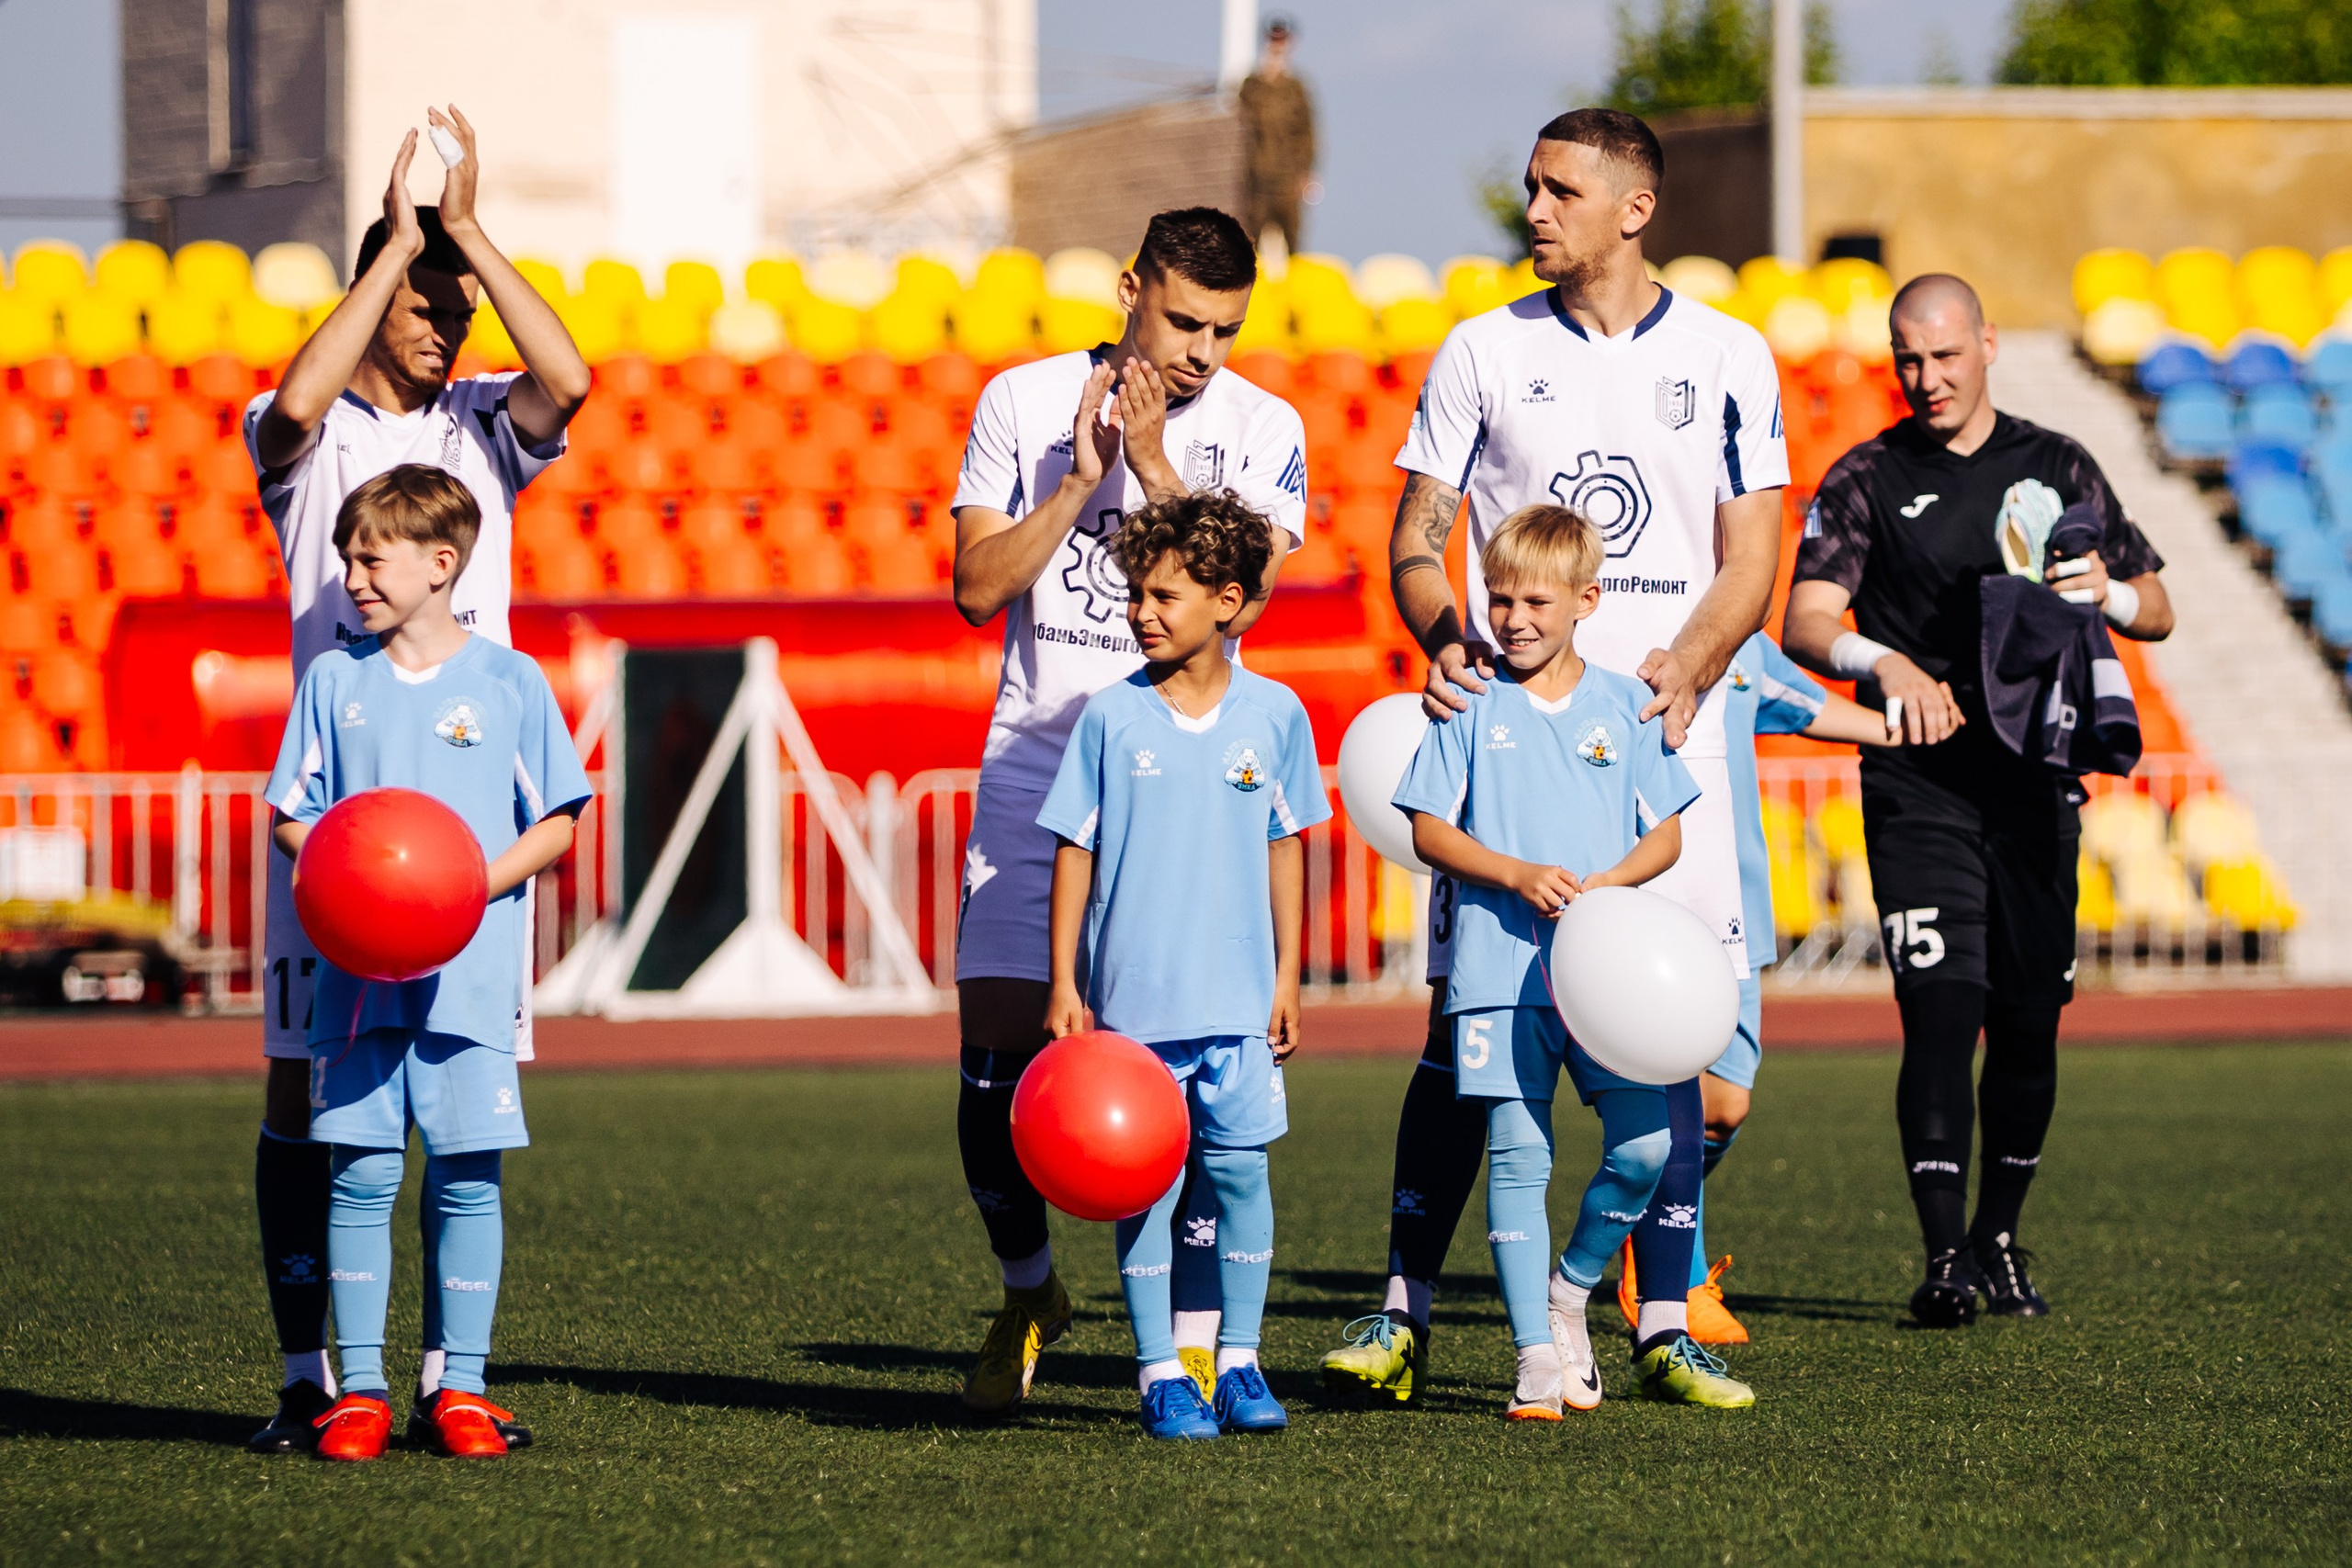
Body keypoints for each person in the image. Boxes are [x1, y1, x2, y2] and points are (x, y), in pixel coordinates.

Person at [1319, 106, 1787, 1403]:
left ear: (1635, 208)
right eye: (1529, 186)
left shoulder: (1732, 356)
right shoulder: (1480, 350)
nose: (1533, 209)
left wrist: (1689, 663)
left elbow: (1754, 555)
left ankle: (1658, 1320)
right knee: (1463, 1035)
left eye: (1560, 189)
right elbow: (1420, 534)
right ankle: (1404, 1311)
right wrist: (1441, 628)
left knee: (1676, 1043)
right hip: (1511, 749)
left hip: (1658, 743)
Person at [242, 107, 589, 1454]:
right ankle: (309, 1374)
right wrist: (394, 241)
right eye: (425, 303)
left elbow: (572, 374)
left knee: (460, 1126)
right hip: (337, 834)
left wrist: (468, 234)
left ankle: (454, 1370)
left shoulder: (484, 430)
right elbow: (294, 405)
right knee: (305, 1104)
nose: (451, 323)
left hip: (460, 860)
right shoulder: (309, 444)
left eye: (459, 304)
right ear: (372, 296)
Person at [948, 208, 1307, 1415]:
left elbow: (1250, 602)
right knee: (996, 1067)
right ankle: (1030, 1285)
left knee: (1198, 1091)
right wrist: (1082, 482)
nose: (1204, 352)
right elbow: (973, 586)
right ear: (1128, 291)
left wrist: (1156, 468)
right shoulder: (1021, 401)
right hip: (1038, 758)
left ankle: (1198, 1341)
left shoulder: (1265, 428)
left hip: (1191, 788)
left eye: (1225, 330)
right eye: (1184, 320)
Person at [1783, 273, 2172, 1327]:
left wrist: (2111, 596)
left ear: (1987, 345)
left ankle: (1999, 1238)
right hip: (1919, 786)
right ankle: (1943, 1256)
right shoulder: (1867, 475)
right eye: (1908, 359)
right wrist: (1884, 664)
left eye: (1945, 356)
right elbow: (1806, 620)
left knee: (2030, 1022)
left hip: (2035, 783)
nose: (1927, 378)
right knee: (1939, 1011)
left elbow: (2159, 607)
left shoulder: (2056, 464)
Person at [1385, 502, 1754, 1417]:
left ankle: (1568, 1298)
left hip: (1607, 978)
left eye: (1537, 603)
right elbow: (1427, 827)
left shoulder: (1623, 706)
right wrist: (1511, 873)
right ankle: (1534, 1362)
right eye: (1499, 598)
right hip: (1494, 971)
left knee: (1644, 1147)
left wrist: (1608, 883)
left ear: (1586, 600)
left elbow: (1665, 836)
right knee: (1517, 1156)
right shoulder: (1466, 701)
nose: (1513, 619)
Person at [263, 466, 592, 1461]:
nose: (353, 575)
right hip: (356, 979)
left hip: (471, 976)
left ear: (441, 563)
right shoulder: (333, 680)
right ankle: (358, 1389)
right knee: (359, 1173)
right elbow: (290, 817)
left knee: (465, 1177)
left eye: (371, 557)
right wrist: (350, 878)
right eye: (347, 558)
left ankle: (464, 1389)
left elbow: (562, 820)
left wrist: (465, 886)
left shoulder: (509, 680)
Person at [1037, 489, 1329, 1439]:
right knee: (1148, 1192)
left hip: (1240, 1006)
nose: (1141, 612)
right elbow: (1072, 848)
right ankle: (1160, 1370)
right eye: (1136, 595)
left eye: (1164, 595)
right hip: (1133, 1013)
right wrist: (1064, 985)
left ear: (1227, 600)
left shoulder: (1278, 714)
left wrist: (1287, 977)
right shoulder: (1109, 719)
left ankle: (1239, 1363)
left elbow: (1288, 841)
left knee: (1243, 1181)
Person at [1615, 631, 1905, 1342]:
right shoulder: (1618, 631)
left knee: (1726, 1108)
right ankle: (1675, 1280)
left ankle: (1640, 1221)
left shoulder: (1743, 646)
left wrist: (1925, 724)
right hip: (1643, 907)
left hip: (1734, 906)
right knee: (1674, 1094)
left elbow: (1810, 707)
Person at [1238, 17, 1317, 257]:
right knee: (1251, 246)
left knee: (1293, 245)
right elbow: (1239, 129)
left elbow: (1307, 132)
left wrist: (1307, 174)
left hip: (1288, 181)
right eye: (1274, 39)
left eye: (1282, 40)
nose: (1278, 45)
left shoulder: (1297, 88)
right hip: (1257, 180)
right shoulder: (1252, 85)